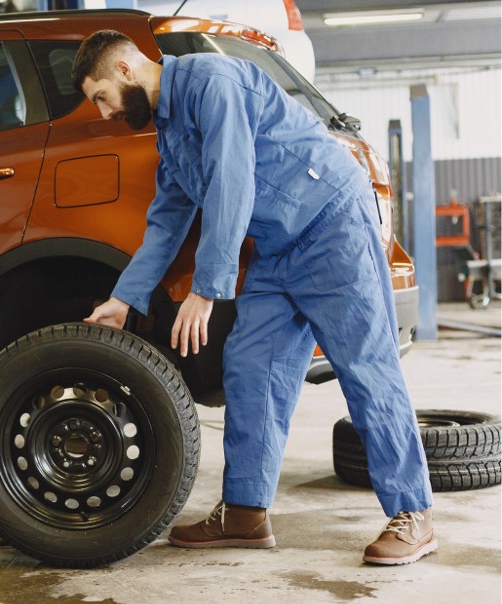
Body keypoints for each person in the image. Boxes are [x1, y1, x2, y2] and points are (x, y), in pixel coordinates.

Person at [71, 29, 437, 565]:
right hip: (277, 246)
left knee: (365, 366)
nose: (102, 112)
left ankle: (414, 514)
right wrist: (125, 297)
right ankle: (245, 512)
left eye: (100, 96)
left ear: (126, 70)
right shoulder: (169, 129)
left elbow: (232, 180)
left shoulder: (211, 82)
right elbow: (169, 217)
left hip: (330, 224)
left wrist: (207, 289)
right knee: (250, 365)